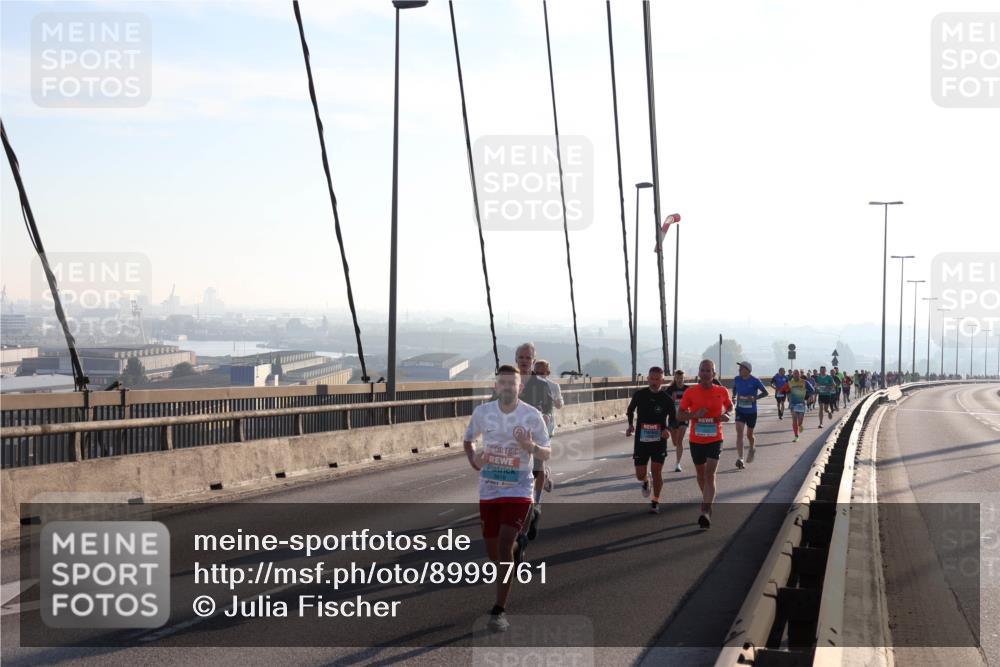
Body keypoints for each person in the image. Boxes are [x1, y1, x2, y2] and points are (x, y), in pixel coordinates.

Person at [463, 365, 550, 632]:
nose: (508, 387)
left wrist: (530, 447)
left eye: (513, 384)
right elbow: (468, 441)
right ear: (495, 386)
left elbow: (546, 453)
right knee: (495, 553)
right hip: (489, 490)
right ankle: (516, 548)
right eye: (503, 383)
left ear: (520, 387)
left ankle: (499, 610)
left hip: (519, 490)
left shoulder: (531, 415)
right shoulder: (483, 413)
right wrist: (476, 460)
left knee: (501, 547)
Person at [677, 359, 733, 529]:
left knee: (710, 474)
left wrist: (726, 414)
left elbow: (730, 407)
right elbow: (679, 415)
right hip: (696, 440)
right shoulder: (691, 392)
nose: (706, 373)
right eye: (703, 370)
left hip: (715, 438)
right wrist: (694, 414)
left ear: (714, 374)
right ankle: (708, 500)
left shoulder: (721, 391)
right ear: (699, 373)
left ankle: (705, 511)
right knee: (701, 475)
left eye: (709, 370)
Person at [511, 343, 554, 540]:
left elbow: (548, 409)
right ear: (516, 359)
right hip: (512, 438)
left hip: (534, 438)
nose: (524, 361)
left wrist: (544, 417)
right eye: (521, 357)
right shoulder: (508, 382)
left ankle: (536, 504)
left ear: (533, 361)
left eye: (528, 358)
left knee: (537, 471)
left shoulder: (542, 385)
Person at [625, 366, 676, 513]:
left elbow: (673, 419)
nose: (654, 382)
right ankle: (646, 481)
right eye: (651, 379)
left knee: (657, 472)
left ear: (662, 380)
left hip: (659, 441)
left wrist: (668, 429)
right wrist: (630, 425)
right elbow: (630, 410)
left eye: (657, 379)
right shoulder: (640, 395)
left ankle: (655, 500)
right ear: (648, 378)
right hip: (642, 440)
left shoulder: (666, 399)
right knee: (640, 474)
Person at [532, 359, 563, 496]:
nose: (538, 375)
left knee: (539, 458)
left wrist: (556, 401)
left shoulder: (553, 386)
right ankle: (542, 477)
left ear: (548, 372)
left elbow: (560, 404)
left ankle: (542, 479)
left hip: (547, 426)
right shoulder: (528, 384)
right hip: (530, 426)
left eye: (542, 372)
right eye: (536, 372)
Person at [731, 361, 769, 468]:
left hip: (751, 412)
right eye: (739, 368)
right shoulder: (737, 379)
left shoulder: (755, 380)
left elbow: (765, 392)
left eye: (741, 368)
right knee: (739, 433)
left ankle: (752, 447)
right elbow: (734, 388)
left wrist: (755, 398)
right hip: (740, 410)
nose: (739, 370)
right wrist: (734, 397)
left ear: (747, 370)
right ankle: (740, 458)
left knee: (749, 435)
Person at [777, 368, 814, 442]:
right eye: (794, 374)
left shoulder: (804, 382)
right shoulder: (790, 383)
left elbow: (812, 390)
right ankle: (796, 436)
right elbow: (782, 390)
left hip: (801, 404)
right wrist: (782, 392)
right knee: (794, 419)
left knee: (800, 421)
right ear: (793, 375)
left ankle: (800, 425)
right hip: (793, 404)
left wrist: (809, 396)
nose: (796, 375)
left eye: (797, 374)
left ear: (800, 375)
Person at [667, 369, 689, 472]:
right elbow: (664, 404)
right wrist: (672, 400)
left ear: (684, 379)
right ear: (675, 378)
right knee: (675, 442)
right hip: (673, 418)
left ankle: (678, 464)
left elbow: (693, 403)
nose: (680, 380)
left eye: (681, 378)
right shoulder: (670, 389)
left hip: (684, 417)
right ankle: (677, 458)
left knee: (679, 441)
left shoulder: (688, 389)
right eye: (677, 378)